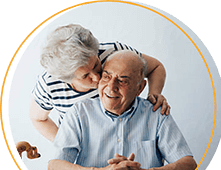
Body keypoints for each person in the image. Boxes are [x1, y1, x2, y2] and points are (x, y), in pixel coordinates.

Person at [47, 50, 198, 170]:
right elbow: (54, 168)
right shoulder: (79, 113)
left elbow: (189, 166)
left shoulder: (155, 113)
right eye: (106, 77)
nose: (111, 87)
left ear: (140, 88)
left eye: (122, 81)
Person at [29, 24, 170, 142]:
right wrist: (65, 143)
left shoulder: (115, 52)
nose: (97, 78)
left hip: (130, 138)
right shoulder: (49, 84)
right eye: (85, 76)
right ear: (66, 79)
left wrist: (154, 94)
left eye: (96, 64)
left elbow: (155, 67)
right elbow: (38, 119)